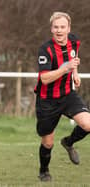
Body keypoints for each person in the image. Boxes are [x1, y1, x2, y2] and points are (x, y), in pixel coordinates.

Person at [34, 11, 90, 182]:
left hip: (67, 95)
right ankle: (44, 171)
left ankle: (68, 142)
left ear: (68, 28)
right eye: (56, 27)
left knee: (88, 124)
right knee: (48, 143)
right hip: (47, 101)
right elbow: (44, 78)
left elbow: (73, 58)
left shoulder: (74, 41)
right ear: (51, 29)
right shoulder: (45, 50)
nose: (59, 30)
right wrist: (66, 68)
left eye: (62, 27)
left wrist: (75, 73)